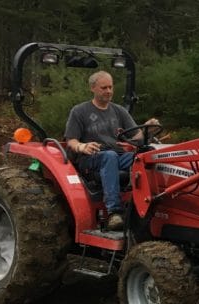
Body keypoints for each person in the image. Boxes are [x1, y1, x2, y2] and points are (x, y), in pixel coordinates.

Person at [65, 70, 158, 231]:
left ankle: (150, 204)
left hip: (117, 155)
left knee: (144, 157)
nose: (108, 91)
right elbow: (71, 140)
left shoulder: (119, 111)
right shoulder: (80, 111)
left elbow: (136, 137)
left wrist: (148, 129)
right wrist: (82, 146)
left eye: (110, 87)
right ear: (93, 88)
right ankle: (114, 212)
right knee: (109, 156)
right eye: (104, 88)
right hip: (91, 158)